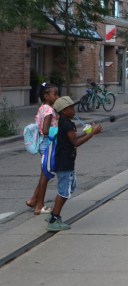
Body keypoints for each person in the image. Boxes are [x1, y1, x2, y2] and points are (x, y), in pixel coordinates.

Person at [47, 96, 103, 231]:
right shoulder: (67, 124)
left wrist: (85, 133)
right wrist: (92, 134)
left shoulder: (65, 122)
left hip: (66, 161)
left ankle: (54, 214)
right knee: (64, 191)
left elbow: (72, 138)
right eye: (70, 108)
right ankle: (54, 219)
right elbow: (75, 143)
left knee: (69, 188)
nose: (73, 110)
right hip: (65, 162)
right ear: (63, 111)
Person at [25, 83, 59, 215]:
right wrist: (57, 129)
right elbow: (45, 130)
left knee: (44, 173)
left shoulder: (42, 108)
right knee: (46, 174)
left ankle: (34, 200)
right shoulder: (49, 110)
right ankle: (40, 206)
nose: (57, 97)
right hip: (47, 143)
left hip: (42, 143)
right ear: (46, 95)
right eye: (54, 94)